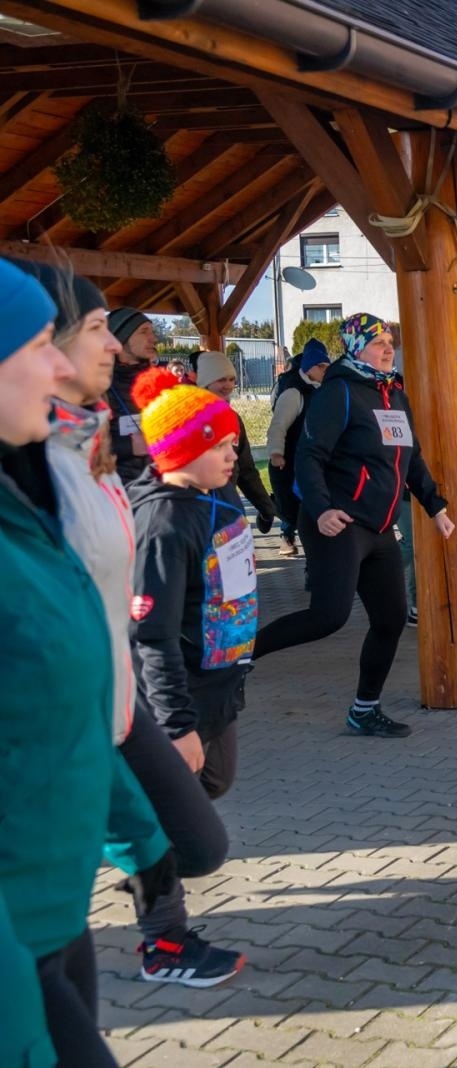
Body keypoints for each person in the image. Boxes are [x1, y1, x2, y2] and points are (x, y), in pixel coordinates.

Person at [0, 259, 175, 1068]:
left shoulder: (30, 505)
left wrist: (139, 836)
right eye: (40, 344)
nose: (65, 367)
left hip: (55, 912)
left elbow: (62, 705)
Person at [252, 313, 454, 738]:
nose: (387, 347)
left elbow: (410, 458)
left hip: (378, 526)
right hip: (337, 522)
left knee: (391, 617)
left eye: (389, 341)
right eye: (378, 341)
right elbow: (309, 457)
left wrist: (436, 506)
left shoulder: (394, 392)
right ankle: (240, 656)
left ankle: (364, 710)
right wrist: (322, 508)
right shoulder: (338, 391)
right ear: (355, 346)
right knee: (328, 616)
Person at [127, 365, 259, 987]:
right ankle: (163, 937)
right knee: (174, 825)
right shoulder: (162, 523)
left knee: (216, 784)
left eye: (233, 442)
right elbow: (149, 635)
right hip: (177, 700)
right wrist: (177, 725)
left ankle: (142, 844)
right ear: (187, 450)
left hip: (217, 687)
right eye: (222, 444)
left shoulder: (214, 497)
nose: (234, 452)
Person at [195, 350, 276, 534]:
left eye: (231, 379)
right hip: (198, 515)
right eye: (221, 380)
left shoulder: (233, 419)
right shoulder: (189, 419)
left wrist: (266, 507)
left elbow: (245, 468)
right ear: (205, 383)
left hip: (229, 510)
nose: (228, 385)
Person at [266, 340, 330, 557]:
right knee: (298, 515)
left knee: (313, 516)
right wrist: (276, 453)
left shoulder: (325, 391)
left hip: (316, 465)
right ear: (310, 367)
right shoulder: (293, 394)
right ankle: (272, 509)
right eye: (321, 366)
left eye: (327, 366)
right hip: (292, 465)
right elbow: (278, 427)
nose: (325, 370)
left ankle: (313, 567)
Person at [107, 306, 160, 484]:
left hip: (160, 492)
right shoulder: (100, 388)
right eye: (144, 332)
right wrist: (129, 446)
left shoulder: (160, 384)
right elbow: (77, 446)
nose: (154, 339)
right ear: (119, 339)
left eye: (152, 331)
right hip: (118, 493)